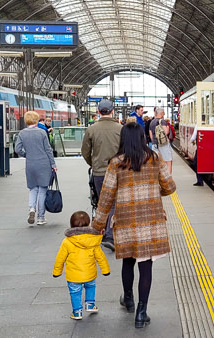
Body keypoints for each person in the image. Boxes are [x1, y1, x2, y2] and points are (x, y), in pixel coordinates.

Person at [91, 123, 176, 328]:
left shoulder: (116, 162)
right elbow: (170, 186)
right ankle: (141, 312)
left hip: (125, 220)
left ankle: (128, 299)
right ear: (142, 138)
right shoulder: (154, 159)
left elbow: (106, 197)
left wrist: (98, 225)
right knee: (146, 265)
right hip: (150, 221)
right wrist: (155, 193)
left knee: (128, 261)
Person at [52, 211, 110, 320]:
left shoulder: (67, 241)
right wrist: (105, 270)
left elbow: (60, 258)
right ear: (88, 224)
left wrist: (57, 272)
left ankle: (77, 311)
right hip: (90, 273)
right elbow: (100, 257)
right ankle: (90, 304)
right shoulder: (93, 240)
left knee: (75, 292)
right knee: (90, 287)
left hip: (73, 276)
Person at [81, 99, 122, 251]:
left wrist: (93, 163)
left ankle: (102, 231)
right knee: (113, 203)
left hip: (98, 172)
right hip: (117, 172)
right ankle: (110, 235)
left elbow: (85, 151)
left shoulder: (91, 129)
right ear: (112, 111)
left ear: (98, 111)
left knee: (101, 203)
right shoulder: (120, 128)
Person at [14, 111, 57, 225]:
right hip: (44, 164)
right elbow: (48, 150)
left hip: (30, 164)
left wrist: (27, 155)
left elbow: (17, 149)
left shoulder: (22, 133)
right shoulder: (42, 132)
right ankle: (41, 217)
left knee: (33, 189)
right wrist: (53, 165)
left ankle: (32, 209)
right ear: (37, 120)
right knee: (43, 190)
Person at [149, 108, 173, 173]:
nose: (164, 114)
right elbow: (166, 132)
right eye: (163, 113)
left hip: (154, 144)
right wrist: (168, 127)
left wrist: (154, 141)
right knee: (168, 161)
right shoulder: (162, 121)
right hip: (163, 144)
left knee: (157, 162)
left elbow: (150, 134)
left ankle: (157, 178)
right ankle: (168, 178)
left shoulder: (152, 122)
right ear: (161, 113)